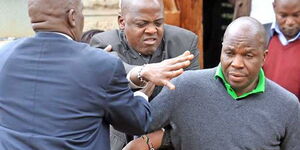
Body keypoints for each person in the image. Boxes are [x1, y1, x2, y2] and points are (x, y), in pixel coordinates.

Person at [0, 0, 194, 149]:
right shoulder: (100, 63)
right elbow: (137, 121)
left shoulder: (3, 56)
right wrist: (144, 91)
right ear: (72, 16)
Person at [123, 17, 300, 150]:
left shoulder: (287, 105)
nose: (236, 63)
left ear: (264, 57)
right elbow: (136, 124)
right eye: (230, 53)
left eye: (248, 55)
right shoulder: (185, 86)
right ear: (222, 49)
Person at [90, 0, 200, 149]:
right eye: (142, 24)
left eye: (158, 23)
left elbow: (191, 104)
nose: (151, 30)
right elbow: (113, 72)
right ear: (122, 22)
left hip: (169, 140)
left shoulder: (184, 42)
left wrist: (151, 141)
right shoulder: (104, 42)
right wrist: (144, 73)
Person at [263, 0, 300, 100]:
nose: (290, 22)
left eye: (297, 15)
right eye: (283, 16)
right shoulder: (261, 35)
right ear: (274, 7)